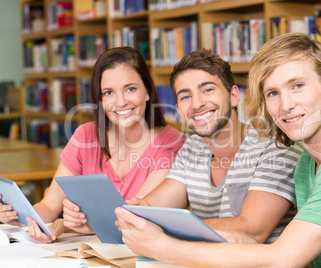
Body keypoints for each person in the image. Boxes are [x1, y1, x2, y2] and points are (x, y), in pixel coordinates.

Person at [115, 33, 321, 267]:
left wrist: (162, 244)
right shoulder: (307, 161)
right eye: (273, 93)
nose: (286, 105)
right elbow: (279, 246)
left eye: (298, 86)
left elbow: (282, 258)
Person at [111, 49, 303, 244]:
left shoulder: (277, 146)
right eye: (185, 97)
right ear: (179, 111)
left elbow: (253, 229)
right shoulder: (192, 147)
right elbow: (152, 208)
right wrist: (136, 211)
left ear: (234, 95)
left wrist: (162, 226)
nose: (197, 104)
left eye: (208, 90)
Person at [0, 47, 185, 243]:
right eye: (108, 93)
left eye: (130, 89)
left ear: (147, 91)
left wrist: (66, 225)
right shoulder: (85, 136)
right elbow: (48, 206)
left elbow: (133, 220)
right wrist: (19, 217)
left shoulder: (171, 144)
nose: (120, 102)